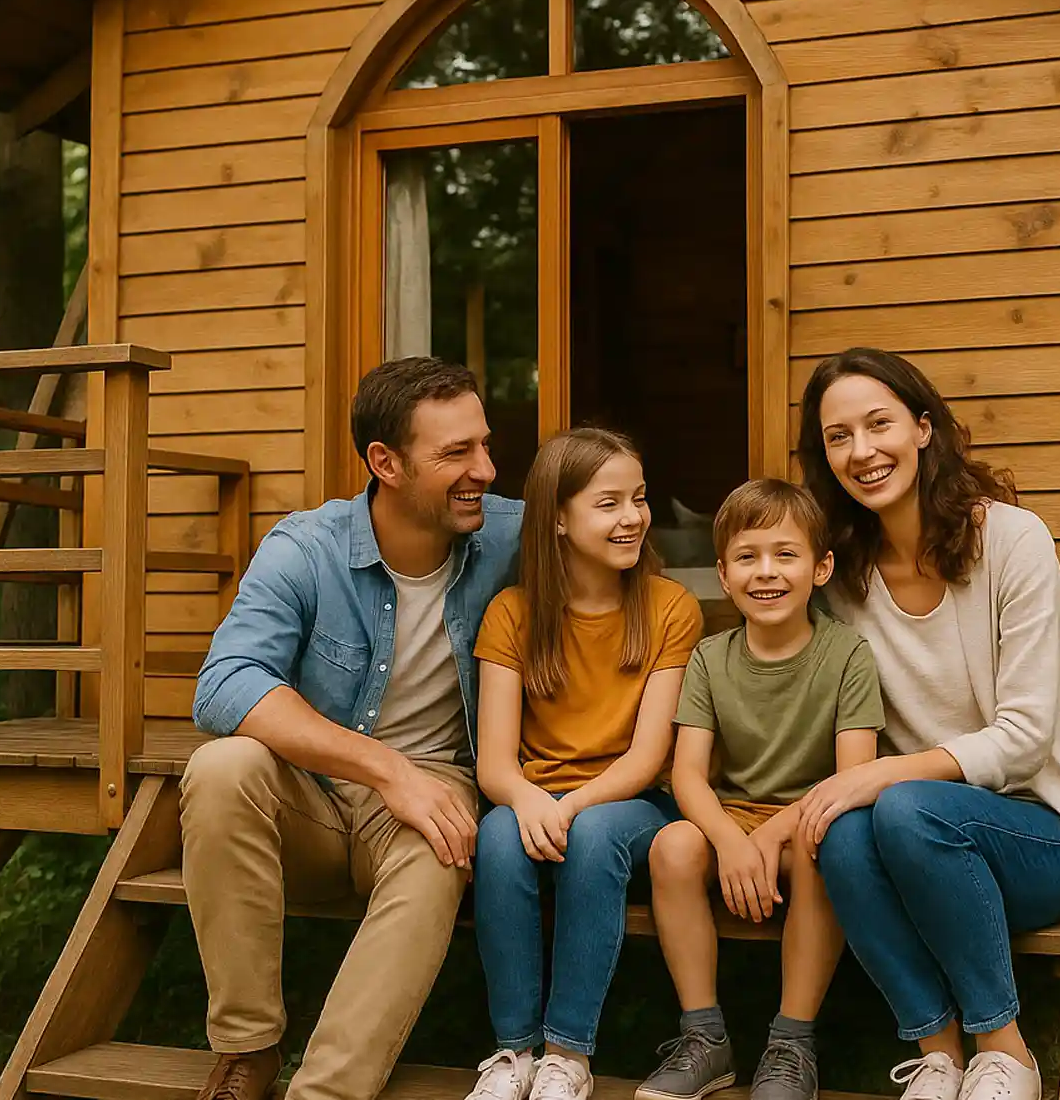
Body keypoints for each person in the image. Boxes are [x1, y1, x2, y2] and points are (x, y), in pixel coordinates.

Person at [183, 357, 522, 1100]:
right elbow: (225, 683)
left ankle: (326, 1092)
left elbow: (618, 545)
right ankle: (249, 1049)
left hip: (434, 790)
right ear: (385, 462)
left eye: (485, 445)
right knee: (219, 767)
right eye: (456, 453)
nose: (486, 470)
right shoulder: (306, 547)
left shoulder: (511, 536)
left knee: (443, 842)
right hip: (313, 791)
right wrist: (385, 768)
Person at [792, 348, 1060, 1100]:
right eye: (838, 436)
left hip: (1045, 833)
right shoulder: (839, 575)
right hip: (915, 833)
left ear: (923, 427)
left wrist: (878, 774)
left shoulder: (1012, 539)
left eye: (879, 424)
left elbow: (1026, 735)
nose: (862, 451)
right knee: (839, 830)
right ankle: (937, 1053)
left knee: (898, 806)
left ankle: (1004, 1052)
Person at [466, 427, 704, 1100]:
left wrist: (567, 805)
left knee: (595, 834)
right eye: (608, 503)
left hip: (634, 803)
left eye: (639, 498)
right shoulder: (512, 614)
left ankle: (568, 1053)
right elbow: (494, 762)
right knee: (497, 834)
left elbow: (648, 754)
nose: (631, 516)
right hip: (541, 795)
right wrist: (529, 799)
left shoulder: (668, 607)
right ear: (559, 520)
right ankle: (513, 1051)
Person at [637, 479, 884, 1100]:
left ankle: (791, 1042)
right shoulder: (710, 658)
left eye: (786, 554)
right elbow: (688, 774)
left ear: (821, 567)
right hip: (733, 816)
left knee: (819, 848)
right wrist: (728, 839)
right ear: (723, 573)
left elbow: (850, 776)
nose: (766, 573)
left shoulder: (848, 655)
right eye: (747, 557)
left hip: (813, 813)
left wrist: (770, 837)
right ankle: (704, 1038)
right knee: (672, 846)